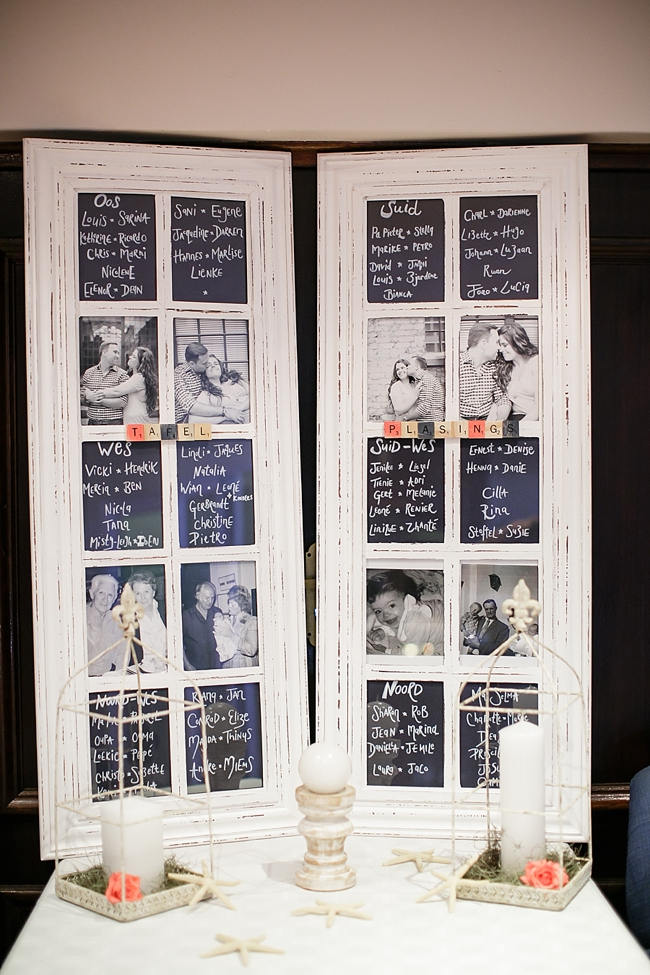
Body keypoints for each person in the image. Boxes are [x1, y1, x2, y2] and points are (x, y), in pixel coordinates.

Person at [366, 569, 443, 656]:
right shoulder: (400, 613)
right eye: (378, 611)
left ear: (407, 600)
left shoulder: (414, 623)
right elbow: (397, 624)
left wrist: (387, 651)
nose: (385, 614)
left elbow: (412, 652)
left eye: (391, 606)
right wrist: (383, 630)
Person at [459, 324, 511, 420]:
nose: (499, 348)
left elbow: (502, 399)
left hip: (487, 421)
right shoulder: (456, 365)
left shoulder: (494, 367)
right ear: (483, 343)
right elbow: (446, 406)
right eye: (496, 343)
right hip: (461, 425)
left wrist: (498, 422)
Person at [94, 347, 158, 424]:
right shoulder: (135, 377)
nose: (130, 357)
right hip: (135, 418)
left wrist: (95, 393)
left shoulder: (138, 378)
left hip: (136, 421)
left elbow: (116, 391)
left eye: (134, 356)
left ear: (141, 362)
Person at [495, 321, 539, 420]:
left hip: (532, 420)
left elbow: (538, 408)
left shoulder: (536, 363)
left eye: (505, 345)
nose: (501, 350)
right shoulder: (506, 368)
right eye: (500, 346)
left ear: (517, 342)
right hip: (513, 419)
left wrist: (519, 430)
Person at [187, 354, 249, 424]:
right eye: (208, 366)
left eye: (216, 363)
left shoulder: (235, 382)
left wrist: (239, 408)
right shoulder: (206, 394)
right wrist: (226, 416)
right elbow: (193, 420)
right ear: (204, 373)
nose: (213, 366)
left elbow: (256, 395)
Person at [81, 341, 128, 425]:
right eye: (115, 352)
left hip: (114, 422)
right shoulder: (89, 373)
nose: (117, 356)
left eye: (118, 353)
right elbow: (81, 398)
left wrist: (99, 400)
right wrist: (88, 398)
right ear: (104, 352)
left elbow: (123, 402)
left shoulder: (122, 374)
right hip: (92, 423)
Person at [86, 574, 124, 675]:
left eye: (110, 595)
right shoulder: (79, 618)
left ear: (114, 598)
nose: (105, 599)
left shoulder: (115, 619)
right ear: (92, 594)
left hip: (106, 680)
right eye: (101, 593)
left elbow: (122, 654)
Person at [130, 571, 167, 672]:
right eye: (138, 593)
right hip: (142, 672)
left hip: (167, 670)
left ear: (153, 592)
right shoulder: (130, 619)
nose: (143, 597)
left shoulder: (165, 611)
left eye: (146, 591)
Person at [182, 581, 219, 671]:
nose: (210, 601)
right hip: (195, 667)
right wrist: (187, 665)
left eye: (212, 598)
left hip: (216, 667)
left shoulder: (217, 613)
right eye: (206, 598)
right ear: (197, 596)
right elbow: (179, 644)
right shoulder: (186, 616)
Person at [222, 585, 259, 668]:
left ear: (241, 604)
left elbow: (251, 650)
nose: (229, 607)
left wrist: (231, 635)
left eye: (232, 604)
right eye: (229, 603)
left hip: (244, 666)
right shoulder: (229, 620)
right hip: (228, 666)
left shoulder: (252, 621)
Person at [399, 356, 444, 422]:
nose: (407, 367)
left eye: (409, 365)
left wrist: (406, 418)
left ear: (416, 367)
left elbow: (424, 407)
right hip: (426, 424)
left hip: (431, 424)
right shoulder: (421, 380)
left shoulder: (427, 379)